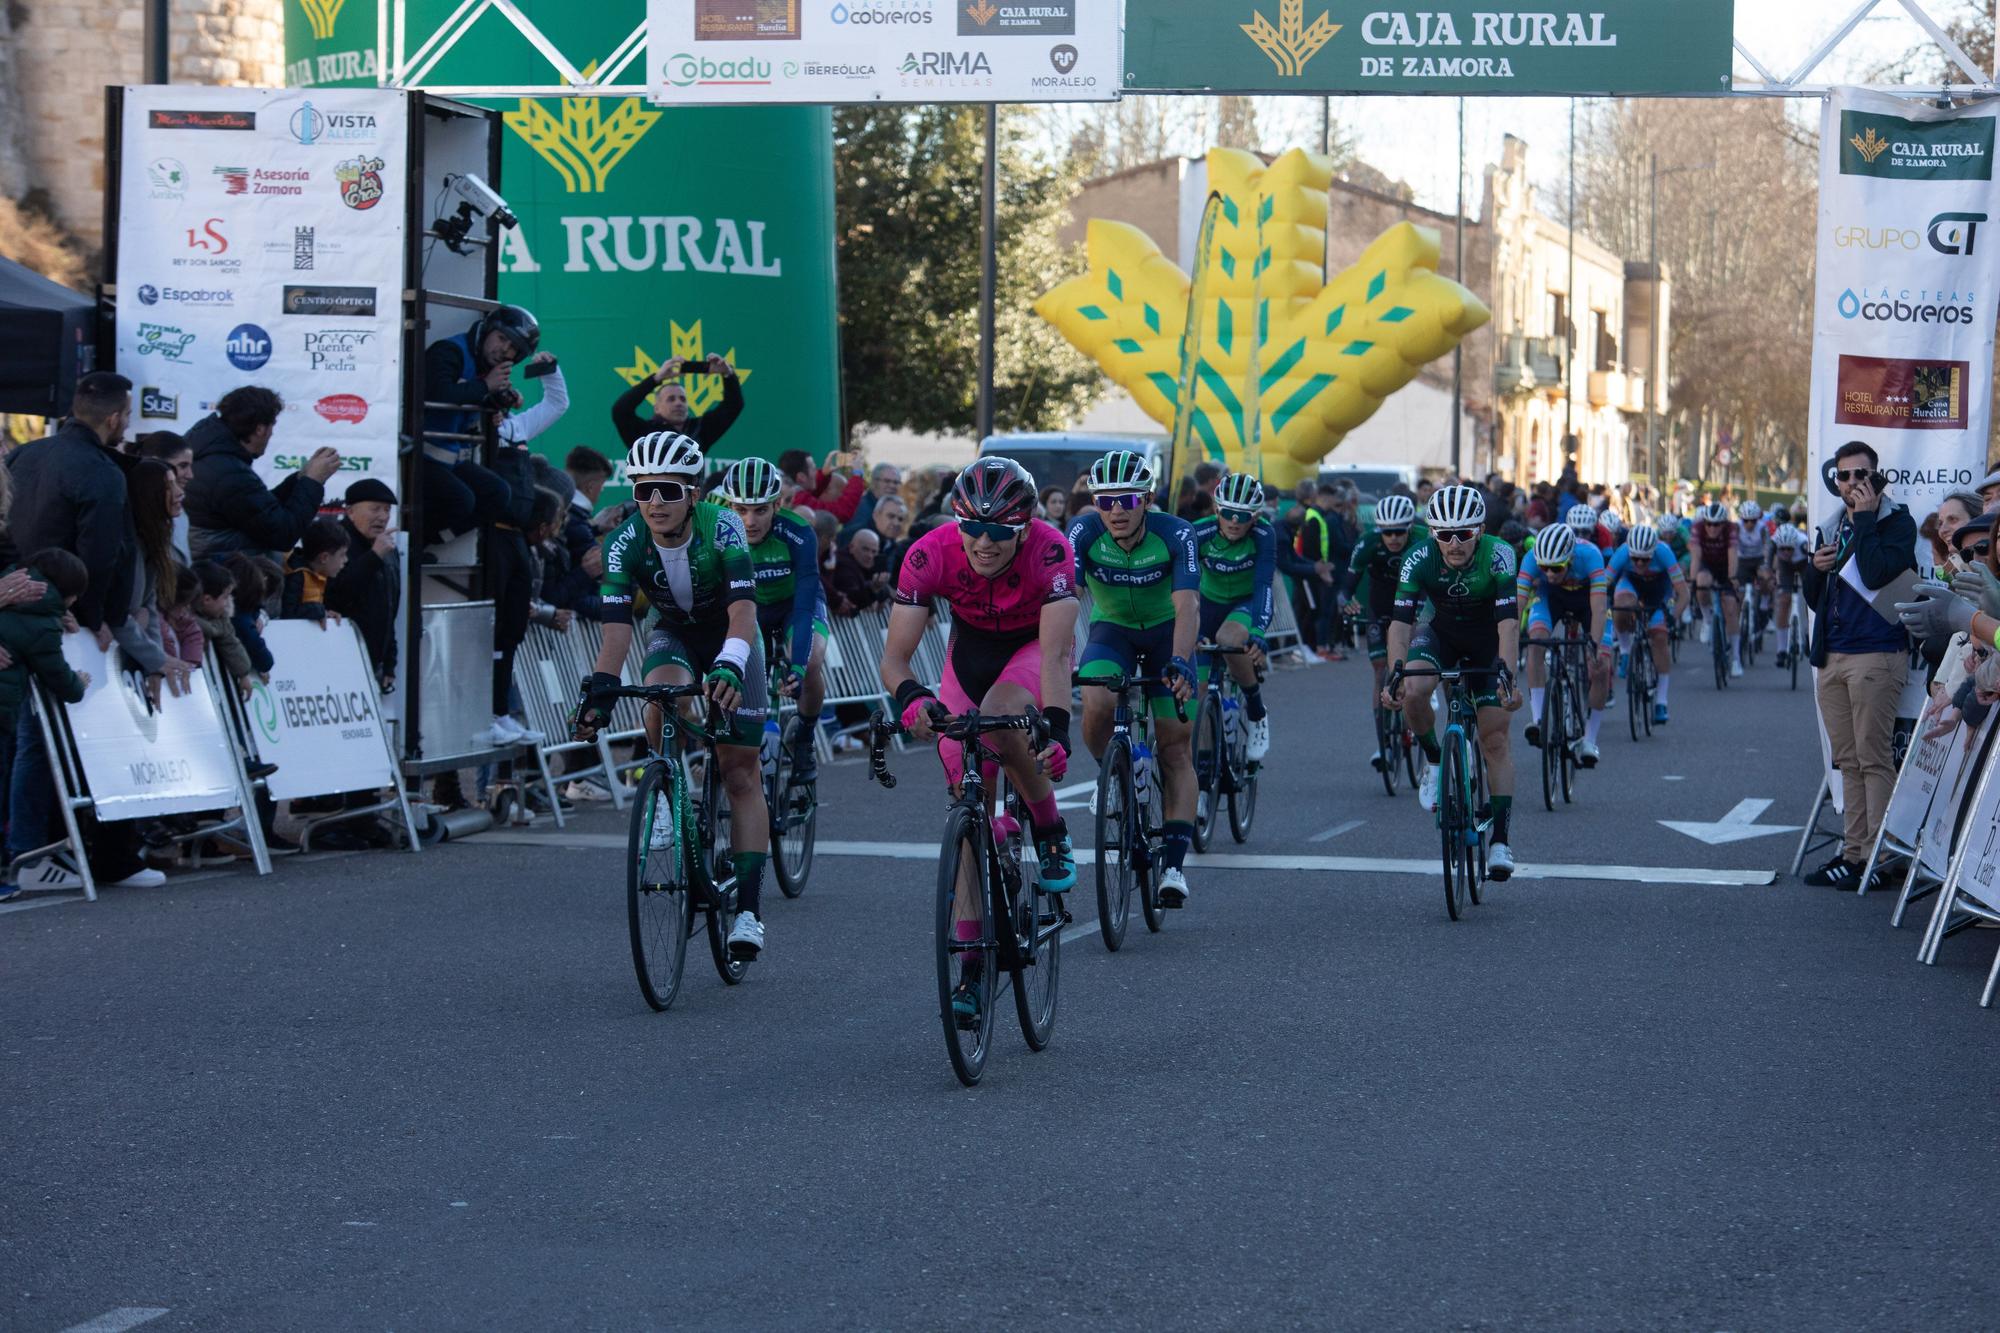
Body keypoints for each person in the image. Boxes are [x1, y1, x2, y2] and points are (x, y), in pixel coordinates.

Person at [878, 457, 1079, 1027]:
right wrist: (914, 699)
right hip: (968, 657)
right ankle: (971, 963)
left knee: (1001, 717)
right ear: (957, 522)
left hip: (1031, 650)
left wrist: (1058, 726)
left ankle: (1049, 826)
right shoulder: (931, 552)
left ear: (1025, 528)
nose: (984, 543)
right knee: (966, 797)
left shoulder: (1050, 549)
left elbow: (1060, 653)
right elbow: (894, 659)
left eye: (1000, 532)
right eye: (973, 529)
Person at [573, 432, 772, 961]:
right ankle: (666, 787)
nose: (654, 502)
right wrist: (601, 688)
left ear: (693, 492)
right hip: (674, 633)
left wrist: (731, 662)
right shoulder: (622, 542)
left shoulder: (723, 524)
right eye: (642, 490)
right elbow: (617, 632)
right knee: (661, 694)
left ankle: (749, 910)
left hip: (732, 635)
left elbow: (744, 611)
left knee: (739, 774)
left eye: (665, 489)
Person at [1068, 449, 1201, 908]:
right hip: (1113, 632)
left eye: (1126, 499)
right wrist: (1056, 660)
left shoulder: (1175, 533)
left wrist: (1182, 661)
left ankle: (1175, 867)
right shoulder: (1082, 532)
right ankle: (1121, 773)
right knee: (1097, 704)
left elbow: (1188, 605)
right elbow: (1066, 602)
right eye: (1105, 501)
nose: (1116, 510)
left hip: (1168, 634)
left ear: (1147, 498)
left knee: (1175, 747)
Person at [1383, 484, 1524, 880]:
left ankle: (1500, 840)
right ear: (1433, 534)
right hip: (1440, 634)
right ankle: (1433, 758)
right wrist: (1396, 670)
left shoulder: (1499, 554)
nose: (1455, 542)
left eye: (1463, 533)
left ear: (1479, 530)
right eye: (1445, 534)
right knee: (1414, 691)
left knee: (1494, 740)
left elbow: (1509, 623)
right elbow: (1400, 622)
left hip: (1487, 640)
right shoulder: (1417, 557)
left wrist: (1507, 676)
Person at [1802, 442, 1917, 889]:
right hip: (1832, 655)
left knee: (1872, 758)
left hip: (1876, 653)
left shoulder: (1896, 523)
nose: (1851, 483)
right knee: (1847, 761)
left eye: (1860, 475)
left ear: (1876, 476)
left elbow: (1874, 574)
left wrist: (1865, 521)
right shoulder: (1831, 527)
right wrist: (1815, 568)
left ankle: (1879, 856)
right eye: (1844, 476)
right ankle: (1853, 855)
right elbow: (1816, 599)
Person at [715, 457, 827, 784]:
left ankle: (804, 737)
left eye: (760, 510)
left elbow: (806, 606)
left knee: (812, 658)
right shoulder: (719, 535)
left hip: (796, 605)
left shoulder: (798, 533)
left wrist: (798, 668)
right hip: (752, 608)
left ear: (777, 504)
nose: (750, 521)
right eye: (741, 510)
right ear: (729, 505)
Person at [183, 387, 340, 560]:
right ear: (260, 429)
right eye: (272, 426)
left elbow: (260, 511)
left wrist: (300, 478)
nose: (272, 433)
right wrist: (313, 482)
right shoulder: (228, 472)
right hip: (230, 576)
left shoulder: (214, 456)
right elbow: (282, 533)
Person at [420, 306, 532, 545]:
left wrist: (501, 402)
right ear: (487, 331)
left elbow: (479, 398)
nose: (504, 350)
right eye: (502, 338)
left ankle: (432, 540)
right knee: (462, 500)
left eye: (513, 348)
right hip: (421, 455)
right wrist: (486, 386)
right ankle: (414, 543)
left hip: (452, 458)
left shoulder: (486, 367)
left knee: (498, 494)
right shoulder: (448, 351)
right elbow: (438, 393)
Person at [1189, 473, 1275, 761]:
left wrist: (1259, 632)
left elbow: (1264, 584)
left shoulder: (1264, 535)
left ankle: (1256, 710)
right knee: (1200, 693)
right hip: (1208, 605)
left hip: (1245, 603)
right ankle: (1204, 770)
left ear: (1256, 516)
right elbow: (1182, 585)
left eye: (1243, 515)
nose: (1235, 521)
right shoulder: (1198, 533)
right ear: (1216, 509)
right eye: (1227, 512)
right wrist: (1188, 627)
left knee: (1229, 638)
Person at [1343, 493, 1426, 768]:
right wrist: (1345, 602)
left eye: (1398, 532)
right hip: (1380, 606)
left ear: (1410, 528)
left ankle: (1417, 703)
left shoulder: (1424, 539)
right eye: (1386, 532)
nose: (1392, 538)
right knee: (1380, 671)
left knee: (1410, 661)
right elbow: (1347, 586)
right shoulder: (1368, 542)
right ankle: (1384, 745)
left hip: (1416, 602)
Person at [1517, 522, 1611, 767]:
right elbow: (1517, 604)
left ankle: (1589, 739)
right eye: (1544, 568)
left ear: (1569, 559)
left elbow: (1599, 606)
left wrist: (1595, 644)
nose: (1549, 574)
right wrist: (1510, 638)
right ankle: (1538, 720)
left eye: (1556, 568)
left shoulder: (1590, 555)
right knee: (1535, 643)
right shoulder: (1531, 558)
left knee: (1601, 665)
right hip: (1551, 598)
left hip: (1586, 601)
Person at [323, 479, 401, 692]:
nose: (383, 517)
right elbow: (335, 593)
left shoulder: (388, 549)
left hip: (374, 662)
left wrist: (389, 662)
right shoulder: (333, 541)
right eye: (375, 509)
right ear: (350, 512)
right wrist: (374, 556)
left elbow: (389, 608)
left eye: (387, 510)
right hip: (337, 660)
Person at [1606, 524, 1689, 726]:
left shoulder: (1664, 552)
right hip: (1630, 584)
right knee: (1621, 607)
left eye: (1645, 559)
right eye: (1635, 558)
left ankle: (1661, 701)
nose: (1640, 563)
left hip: (1660, 591)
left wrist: (1673, 617)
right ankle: (1625, 651)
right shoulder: (1622, 552)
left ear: (1654, 552)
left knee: (1659, 638)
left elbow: (1684, 593)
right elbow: (1602, 586)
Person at [610, 354, 743, 449]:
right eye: (671, 399)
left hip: (690, 489)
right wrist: (656, 379)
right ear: (656, 408)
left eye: (683, 399)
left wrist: (727, 374)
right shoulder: (644, 434)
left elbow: (733, 405)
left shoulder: (700, 429)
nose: (678, 403)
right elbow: (620, 411)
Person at [1689, 501, 1742, 676]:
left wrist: (1732, 578)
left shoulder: (1731, 529)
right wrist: (1691, 581)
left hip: (1726, 566)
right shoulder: (1697, 528)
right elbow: (1696, 556)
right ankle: (1707, 619)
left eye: (1717, 524)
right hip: (1707, 565)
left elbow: (1733, 554)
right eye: (1709, 524)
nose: (1712, 528)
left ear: (1724, 523)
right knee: (1701, 581)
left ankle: (1735, 658)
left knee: (1731, 608)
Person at [192, 561, 257, 700]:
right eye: (225, 597)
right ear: (207, 600)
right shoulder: (182, 619)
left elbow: (231, 643)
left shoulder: (220, 619)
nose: (228, 602)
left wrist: (243, 673)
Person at [281, 517, 351, 626]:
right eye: (342, 555)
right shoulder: (295, 576)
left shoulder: (323, 575)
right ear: (324, 558)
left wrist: (326, 613)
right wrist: (318, 610)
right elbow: (288, 614)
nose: (346, 560)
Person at [138, 431, 193, 560]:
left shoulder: (180, 514)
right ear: (157, 464)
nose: (190, 475)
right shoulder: (135, 520)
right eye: (183, 466)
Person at [779, 448, 864, 523]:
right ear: (801, 477)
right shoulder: (797, 500)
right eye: (813, 468)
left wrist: (824, 474)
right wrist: (857, 475)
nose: (816, 472)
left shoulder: (792, 493)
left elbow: (810, 493)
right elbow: (841, 512)